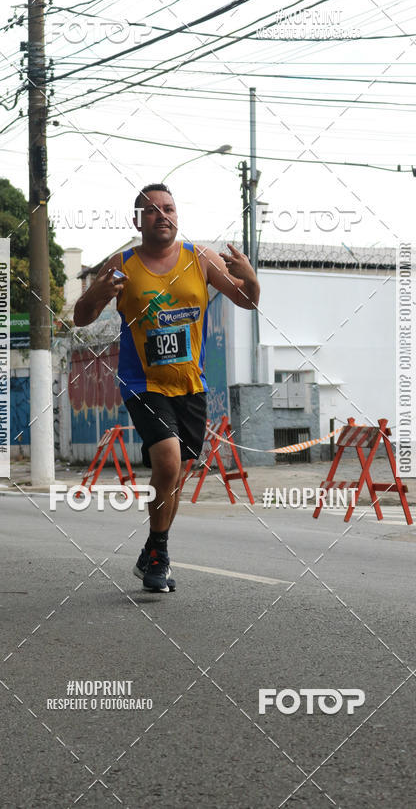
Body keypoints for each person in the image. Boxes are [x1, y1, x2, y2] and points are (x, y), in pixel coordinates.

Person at [74, 184, 260, 593]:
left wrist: (250, 279)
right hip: (143, 382)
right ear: (138, 220)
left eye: (169, 208)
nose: (163, 215)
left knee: (177, 474)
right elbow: (81, 316)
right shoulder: (121, 265)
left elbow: (247, 300)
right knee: (170, 460)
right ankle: (159, 552)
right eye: (153, 210)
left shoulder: (202, 259)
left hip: (191, 384)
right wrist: (99, 292)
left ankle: (153, 549)